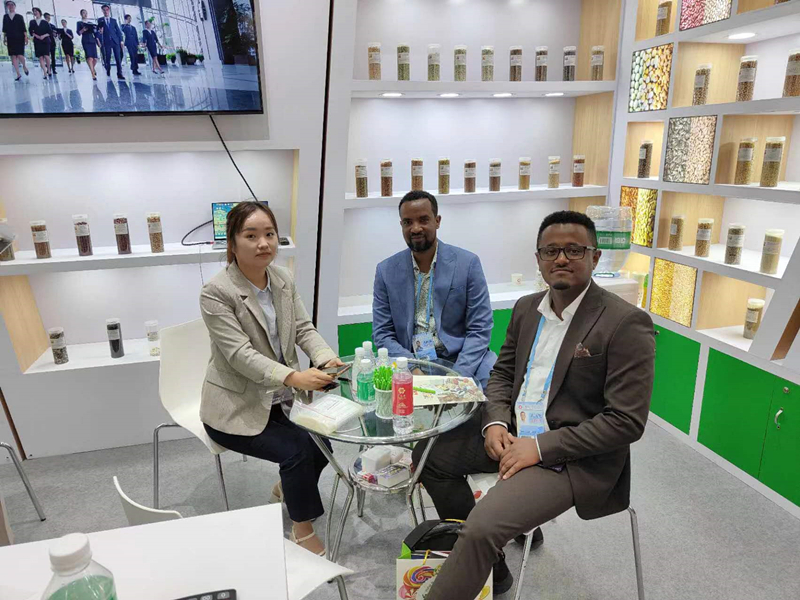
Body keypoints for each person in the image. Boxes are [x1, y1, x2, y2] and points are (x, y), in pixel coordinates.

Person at [413, 210, 656, 599]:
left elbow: (626, 421)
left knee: (481, 527)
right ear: (539, 259)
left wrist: (539, 447)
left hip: (570, 457)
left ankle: (478, 548)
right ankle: (492, 566)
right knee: (429, 455)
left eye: (574, 250)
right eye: (551, 250)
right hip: (514, 434)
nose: (561, 258)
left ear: (595, 257)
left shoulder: (626, 322)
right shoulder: (527, 308)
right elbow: (502, 375)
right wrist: (495, 422)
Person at [199, 201, 343, 557]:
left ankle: (285, 489)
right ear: (232, 243)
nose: (263, 243)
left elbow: (303, 328)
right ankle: (301, 529)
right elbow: (240, 355)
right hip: (236, 407)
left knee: (323, 443)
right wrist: (294, 377)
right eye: (251, 236)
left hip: (281, 400)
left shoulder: (282, 279)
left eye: (270, 234)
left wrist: (325, 357)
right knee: (297, 450)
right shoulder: (216, 292)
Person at [372, 190, 496, 388]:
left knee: (492, 389)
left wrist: (457, 376)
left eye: (423, 220)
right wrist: (412, 366)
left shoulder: (467, 264)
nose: (415, 228)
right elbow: (382, 333)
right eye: (408, 222)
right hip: (410, 359)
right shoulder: (386, 271)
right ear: (401, 225)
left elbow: (480, 329)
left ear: (437, 221)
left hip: (460, 358)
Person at [2, 1, 29, 81]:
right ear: (7, 7)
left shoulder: (19, 16)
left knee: (20, 55)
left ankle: (24, 66)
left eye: (12, 5)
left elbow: (23, 28)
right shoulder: (5, 16)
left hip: (19, 38)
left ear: (15, 6)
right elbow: (5, 28)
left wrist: (26, 37)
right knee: (13, 56)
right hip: (10, 38)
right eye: (8, 5)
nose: (10, 6)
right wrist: (4, 38)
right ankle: (18, 74)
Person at [97, 4, 124, 80]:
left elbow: (118, 31)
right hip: (106, 42)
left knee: (118, 58)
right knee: (107, 57)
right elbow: (98, 30)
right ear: (102, 11)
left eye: (107, 10)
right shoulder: (100, 20)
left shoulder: (113, 20)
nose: (106, 11)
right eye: (104, 10)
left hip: (115, 41)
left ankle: (119, 73)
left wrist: (121, 41)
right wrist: (100, 32)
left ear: (109, 10)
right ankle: (108, 70)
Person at [28, 8, 51, 79]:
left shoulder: (45, 22)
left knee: (46, 56)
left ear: (39, 12)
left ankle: (49, 70)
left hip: (45, 40)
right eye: (33, 11)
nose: (35, 12)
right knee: (40, 57)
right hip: (37, 41)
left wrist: (43, 36)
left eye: (36, 11)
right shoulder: (32, 22)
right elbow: (31, 32)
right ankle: (45, 72)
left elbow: (49, 32)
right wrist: (37, 36)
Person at [76, 9, 98, 80]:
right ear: (81, 14)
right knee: (89, 58)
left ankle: (93, 68)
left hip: (92, 40)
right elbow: (78, 33)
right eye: (83, 13)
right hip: (85, 40)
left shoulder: (90, 23)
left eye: (86, 13)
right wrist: (83, 30)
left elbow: (95, 33)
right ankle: (92, 74)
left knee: (95, 59)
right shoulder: (79, 23)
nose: (85, 14)